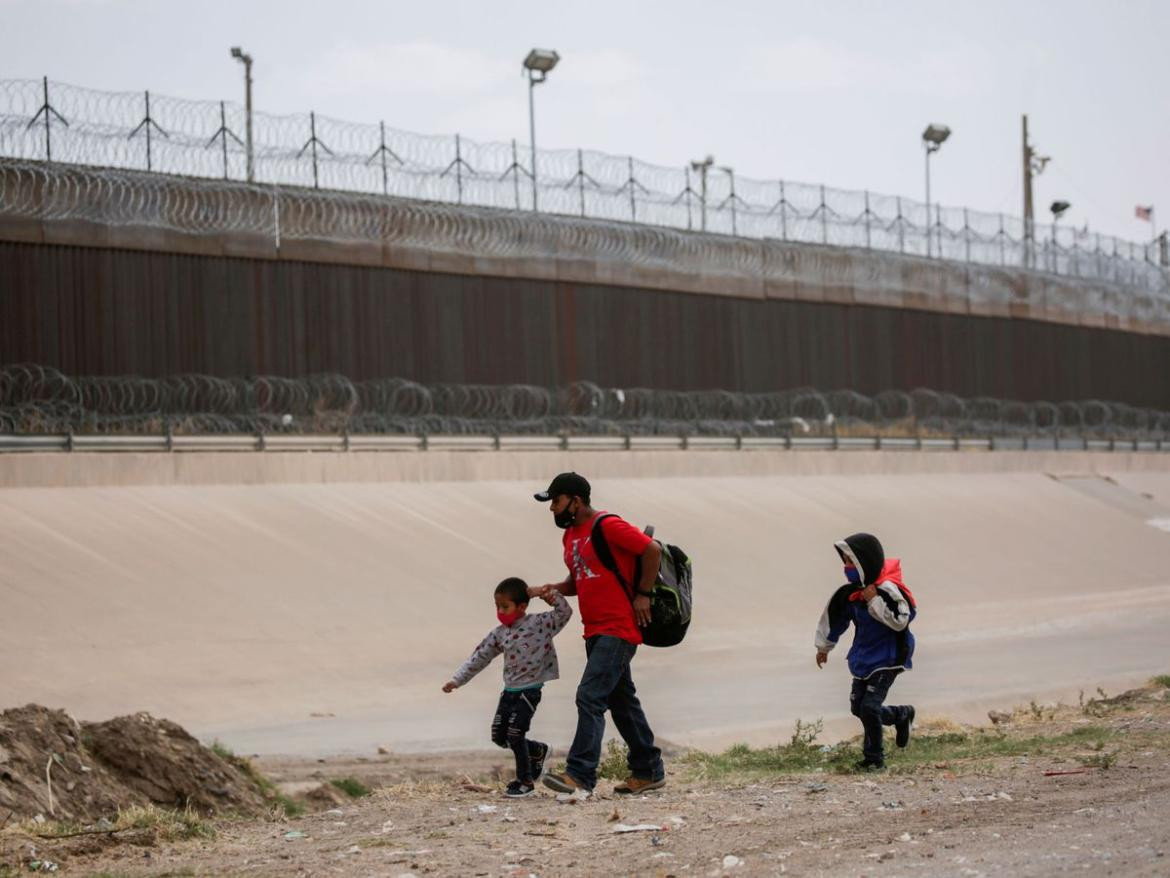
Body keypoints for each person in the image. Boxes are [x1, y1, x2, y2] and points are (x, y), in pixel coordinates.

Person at [532, 472, 666, 800]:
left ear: (576, 501)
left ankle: (580, 775)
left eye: (557, 501)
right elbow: (581, 580)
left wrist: (644, 594)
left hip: (618, 627)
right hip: (594, 629)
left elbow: (651, 550)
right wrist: (550, 589)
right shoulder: (571, 536)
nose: (552, 509)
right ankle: (648, 770)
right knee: (622, 701)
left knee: (590, 696)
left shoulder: (607, 525)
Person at [443, 576, 572, 797]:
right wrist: (457, 680)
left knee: (515, 734)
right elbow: (479, 657)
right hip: (509, 691)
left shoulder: (540, 624)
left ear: (521, 606)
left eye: (505, 606)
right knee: (499, 736)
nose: (500, 611)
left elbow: (564, 613)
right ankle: (538, 751)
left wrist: (545, 594)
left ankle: (525, 782)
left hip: (530, 690)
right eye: (497, 606)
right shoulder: (499, 633)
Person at [814, 532, 917, 771]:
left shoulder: (888, 589)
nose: (846, 568)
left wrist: (874, 601)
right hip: (864, 658)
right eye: (845, 562)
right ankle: (901, 715)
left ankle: (874, 759)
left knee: (869, 708)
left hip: (889, 657)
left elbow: (901, 620)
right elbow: (833, 619)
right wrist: (824, 648)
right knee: (858, 708)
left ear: (865, 561)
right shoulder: (850, 594)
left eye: (850, 562)